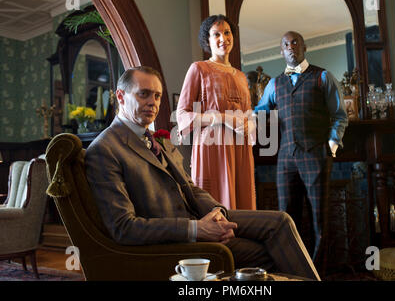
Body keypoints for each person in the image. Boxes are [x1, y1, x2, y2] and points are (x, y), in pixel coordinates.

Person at [84, 66, 320, 280]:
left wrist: (216, 212)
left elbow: (192, 188)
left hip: (199, 218)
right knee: (269, 252)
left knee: (280, 220)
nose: (153, 102)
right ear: (121, 96)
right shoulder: (105, 150)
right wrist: (197, 230)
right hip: (171, 242)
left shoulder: (154, 141)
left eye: (157, 95)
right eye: (143, 94)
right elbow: (123, 227)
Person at [254, 31, 348, 266]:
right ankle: (292, 267)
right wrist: (232, 116)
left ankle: (319, 271)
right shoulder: (275, 83)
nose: (290, 46)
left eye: (295, 42)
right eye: (285, 43)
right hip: (285, 158)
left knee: (319, 217)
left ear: (304, 47)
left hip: (316, 154)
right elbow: (259, 112)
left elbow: (339, 115)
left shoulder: (322, 77)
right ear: (281, 51)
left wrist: (331, 146)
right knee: (286, 216)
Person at [176, 15, 256, 210]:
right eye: (216, 34)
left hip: (240, 148)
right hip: (212, 149)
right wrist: (221, 118)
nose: (223, 38)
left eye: (227, 33)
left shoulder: (242, 76)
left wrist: (250, 124)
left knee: (243, 207)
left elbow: (248, 112)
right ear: (207, 40)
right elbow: (182, 114)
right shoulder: (198, 69)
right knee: (215, 208)